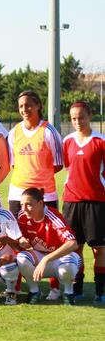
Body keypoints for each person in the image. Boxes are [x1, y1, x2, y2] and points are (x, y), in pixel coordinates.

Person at [62, 101, 105, 302]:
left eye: (81, 117)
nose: (77, 121)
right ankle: (77, 289)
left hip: (97, 202)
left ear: (90, 116)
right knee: (75, 248)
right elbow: (68, 169)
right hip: (72, 202)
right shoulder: (68, 141)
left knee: (99, 249)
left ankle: (100, 291)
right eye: (73, 118)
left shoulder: (101, 141)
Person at [15, 188, 80, 305]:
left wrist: (46, 259)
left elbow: (72, 243)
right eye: (21, 205)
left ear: (40, 203)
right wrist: (21, 240)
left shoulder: (53, 217)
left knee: (70, 262)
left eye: (28, 205)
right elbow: (19, 237)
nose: (24, 209)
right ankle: (34, 291)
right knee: (21, 258)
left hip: (58, 259)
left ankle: (68, 293)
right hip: (39, 256)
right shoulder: (22, 215)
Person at [6, 90, 63, 216]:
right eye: (21, 106)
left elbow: (58, 164)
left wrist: (39, 177)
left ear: (38, 106)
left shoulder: (49, 132)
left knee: (46, 233)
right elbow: (14, 164)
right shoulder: (14, 132)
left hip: (45, 194)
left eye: (28, 105)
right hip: (18, 193)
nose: (24, 109)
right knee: (18, 234)